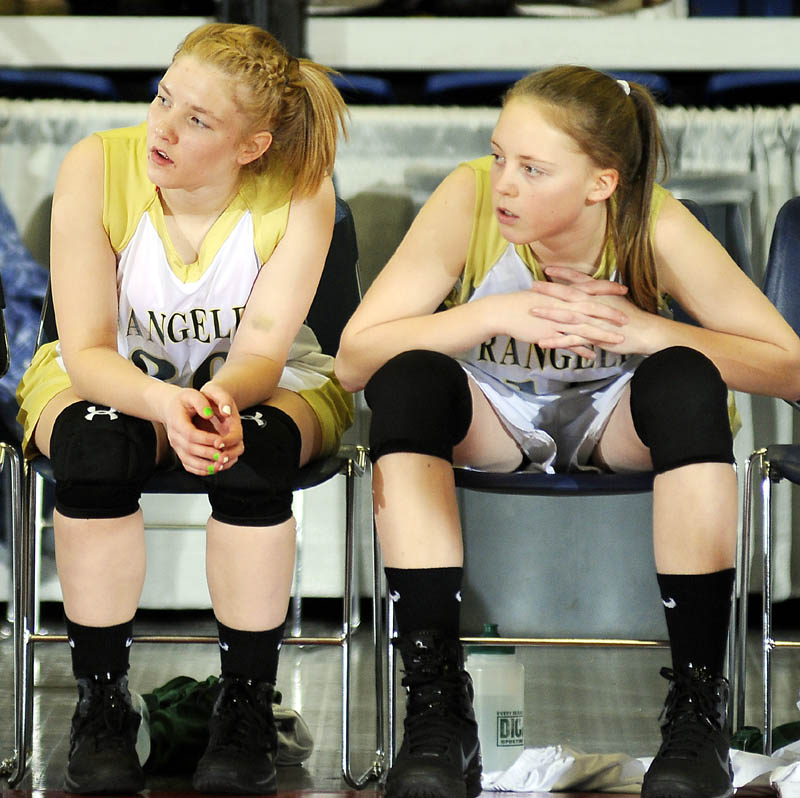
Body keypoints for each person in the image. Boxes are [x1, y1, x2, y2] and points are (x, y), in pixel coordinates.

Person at [335, 66, 800, 798]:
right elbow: (355, 359)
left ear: (601, 185)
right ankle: (436, 707)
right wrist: (494, 315)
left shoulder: (655, 222)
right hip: (496, 418)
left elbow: (790, 366)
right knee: (408, 379)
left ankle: (696, 712)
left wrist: (644, 328)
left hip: (614, 421)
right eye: (499, 156)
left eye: (532, 169)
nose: (505, 183)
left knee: (686, 377)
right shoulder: (467, 200)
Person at [15, 22, 352, 795]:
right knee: (93, 454)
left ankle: (244, 706)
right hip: (108, 374)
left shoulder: (303, 188)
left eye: (198, 120)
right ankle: (102, 703)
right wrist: (167, 404)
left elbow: (264, 351)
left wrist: (218, 405)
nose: (161, 126)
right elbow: (89, 345)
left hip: (257, 379)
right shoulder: (97, 165)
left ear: (252, 147)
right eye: (164, 97)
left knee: (255, 454)